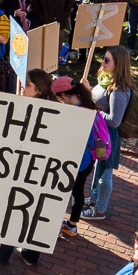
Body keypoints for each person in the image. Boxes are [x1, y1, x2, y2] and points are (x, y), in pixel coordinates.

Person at [0, 69, 58, 269]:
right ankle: (29, 255)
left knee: (13, 212)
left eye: (27, 84)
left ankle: (0, 256)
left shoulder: (41, 111)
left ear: (39, 90)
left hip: (30, 172)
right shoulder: (42, 107)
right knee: (27, 211)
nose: (22, 87)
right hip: (34, 172)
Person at [83, 46, 133, 221]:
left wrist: (95, 111)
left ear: (117, 64)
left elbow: (114, 120)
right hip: (100, 134)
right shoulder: (106, 79)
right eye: (103, 58)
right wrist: (89, 91)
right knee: (99, 167)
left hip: (108, 137)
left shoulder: (119, 90)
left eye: (107, 60)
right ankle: (94, 198)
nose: (102, 62)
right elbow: (101, 101)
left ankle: (100, 210)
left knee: (105, 173)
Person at [53, 77, 100, 238]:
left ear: (64, 96)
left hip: (75, 162)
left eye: (59, 98)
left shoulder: (75, 113)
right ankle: (72, 225)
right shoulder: (88, 105)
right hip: (88, 160)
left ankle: (56, 227)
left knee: (60, 193)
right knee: (77, 191)